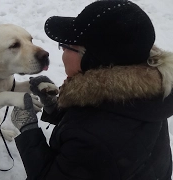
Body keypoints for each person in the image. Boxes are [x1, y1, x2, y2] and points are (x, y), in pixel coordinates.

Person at [10, 0, 173, 179]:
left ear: (91, 59)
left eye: (65, 46)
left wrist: (28, 130)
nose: (61, 52)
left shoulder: (96, 142)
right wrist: (54, 106)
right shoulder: (142, 94)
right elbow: (93, 119)